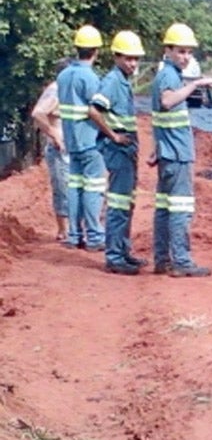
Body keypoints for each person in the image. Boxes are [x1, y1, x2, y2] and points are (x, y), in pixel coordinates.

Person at [150, 22, 212, 277]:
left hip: (168, 153)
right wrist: (196, 84)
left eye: (189, 52)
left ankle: (162, 259)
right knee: (180, 207)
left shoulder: (166, 74)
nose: (186, 57)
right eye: (181, 51)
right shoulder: (169, 76)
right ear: (167, 50)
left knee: (164, 208)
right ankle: (181, 261)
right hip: (177, 156)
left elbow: (160, 116)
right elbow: (167, 102)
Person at [56, 25, 129, 251]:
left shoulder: (63, 75)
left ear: (77, 48)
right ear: (96, 51)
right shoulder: (90, 78)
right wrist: (113, 135)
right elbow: (95, 111)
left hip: (71, 140)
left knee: (75, 187)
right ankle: (95, 237)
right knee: (93, 188)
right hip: (90, 141)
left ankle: (74, 235)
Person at [90, 30, 148, 275]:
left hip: (126, 149)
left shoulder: (122, 80)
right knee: (118, 202)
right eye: (128, 58)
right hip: (118, 149)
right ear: (116, 57)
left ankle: (123, 251)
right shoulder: (113, 81)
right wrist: (113, 136)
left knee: (126, 203)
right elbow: (93, 110)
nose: (132, 63)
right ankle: (114, 256)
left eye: (136, 59)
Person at [30, 59, 71, 242]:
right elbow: (38, 113)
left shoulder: (68, 90)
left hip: (72, 149)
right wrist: (54, 134)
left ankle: (75, 230)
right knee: (62, 188)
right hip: (59, 150)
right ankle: (64, 231)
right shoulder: (56, 90)